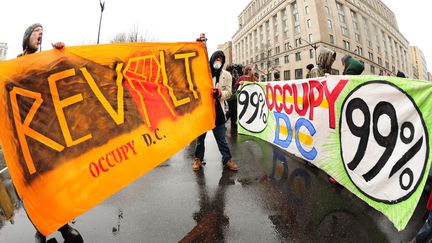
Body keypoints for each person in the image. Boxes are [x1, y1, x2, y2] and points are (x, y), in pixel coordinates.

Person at [18, 23, 82, 243]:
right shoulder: (12, 65)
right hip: (22, 140)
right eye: (37, 31)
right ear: (27, 36)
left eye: (42, 33)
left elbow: (62, 74)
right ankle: (41, 229)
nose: (41, 35)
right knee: (29, 189)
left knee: (51, 182)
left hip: (43, 134)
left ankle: (63, 226)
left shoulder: (45, 60)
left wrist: (60, 53)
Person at [192, 51, 238, 172]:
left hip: (218, 111)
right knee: (200, 139)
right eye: (216, 59)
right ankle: (198, 159)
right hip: (203, 111)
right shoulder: (203, 74)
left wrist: (219, 94)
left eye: (221, 59)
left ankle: (227, 159)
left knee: (221, 138)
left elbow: (229, 93)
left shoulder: (227, 75)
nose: (218, 61)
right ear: (212, 59)